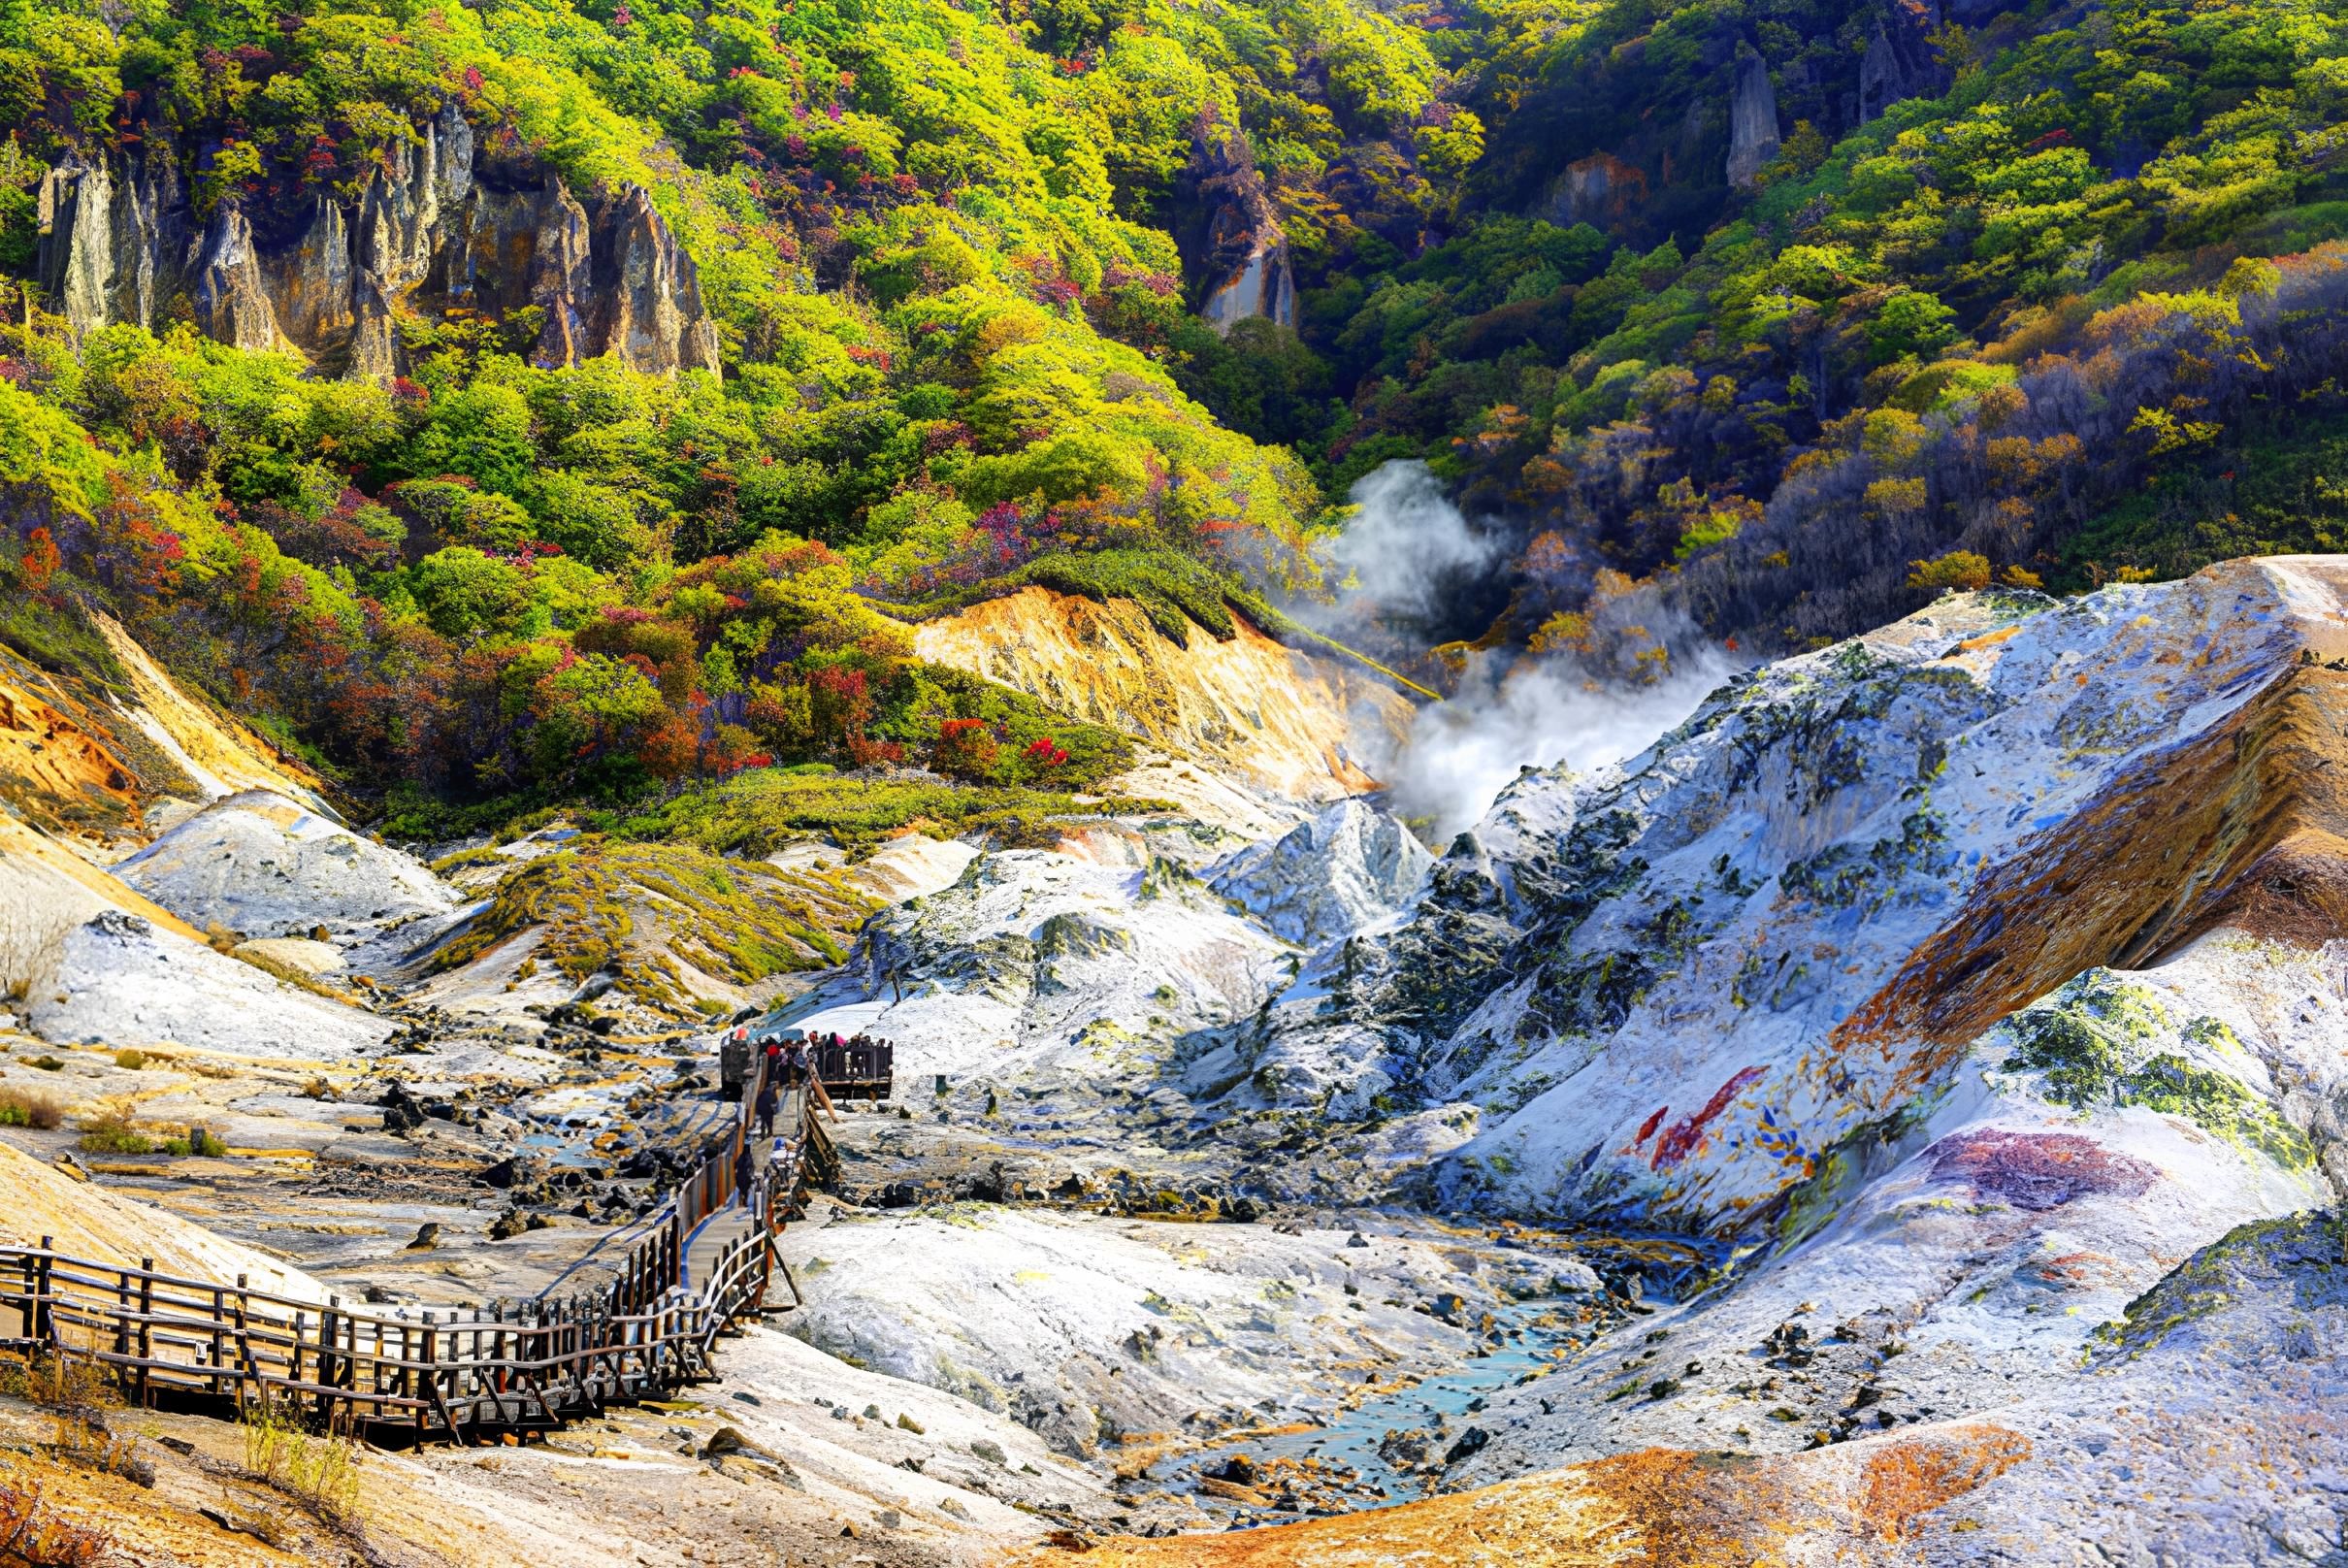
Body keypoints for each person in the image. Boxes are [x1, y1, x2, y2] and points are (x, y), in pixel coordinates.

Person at [754, 1075, 779, 1139]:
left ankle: (764, 1134)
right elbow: (772, 1102)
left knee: (763, 1122)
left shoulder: (766, 1090)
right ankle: (769, 1133)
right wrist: (775, 1111)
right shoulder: (771, 1092)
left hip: (761, 1108)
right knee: (768, 1122)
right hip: (767, 1110)